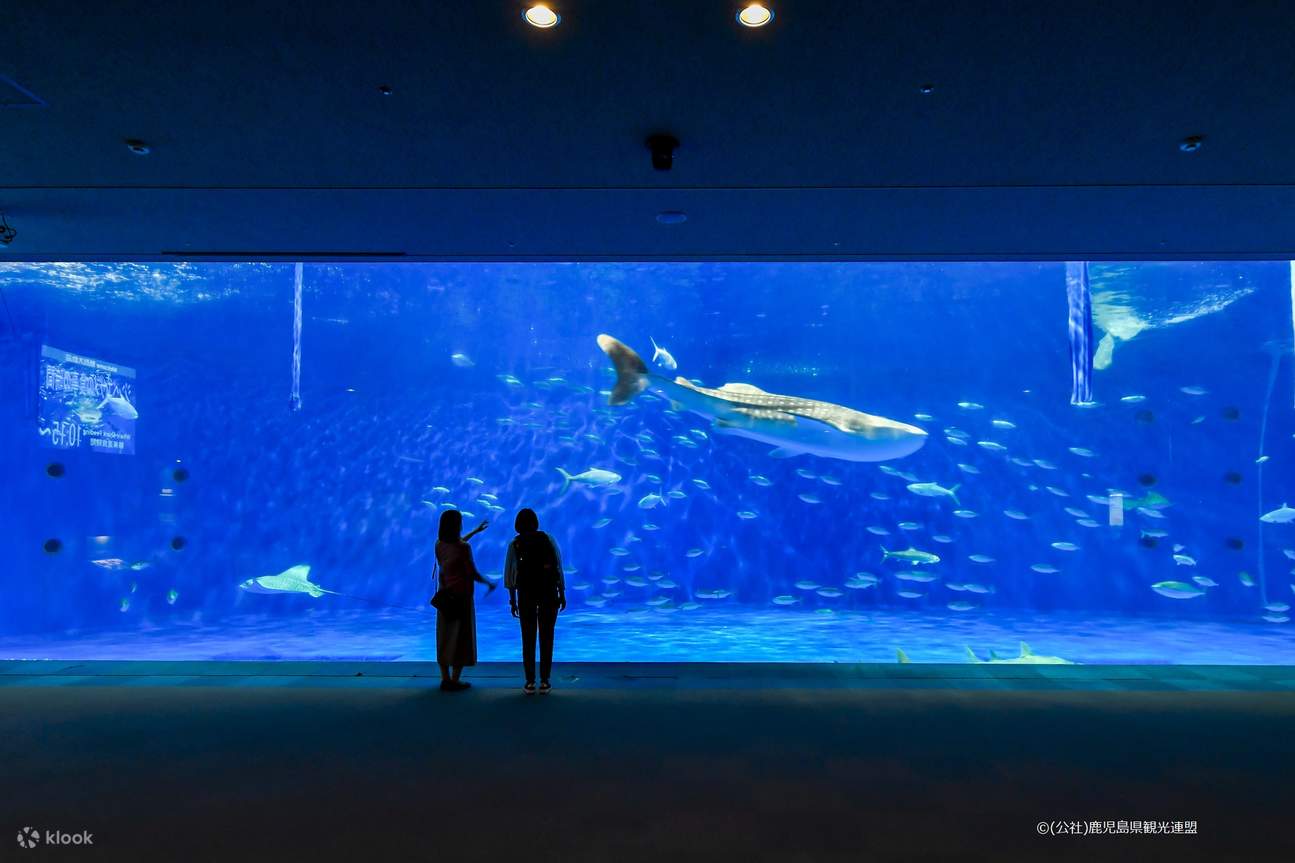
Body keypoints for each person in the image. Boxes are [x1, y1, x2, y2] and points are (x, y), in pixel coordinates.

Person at [503, 508, 565, 694]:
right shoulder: (548, 539)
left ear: (517, 524)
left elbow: (510, 574)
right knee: (547, 637)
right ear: (536, 522)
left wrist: (512, 600)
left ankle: (530, 682)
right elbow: (558, 566)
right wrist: (562, 592)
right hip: (548, 592)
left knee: (528, 638)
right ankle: (545, 681)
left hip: (526, 594)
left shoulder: (515, 544)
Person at [433, 509, 495, 691]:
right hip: (461, 597)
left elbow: (454, 548)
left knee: (444, 636)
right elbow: (473, 572)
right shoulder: (463, 548)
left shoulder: (439, 544)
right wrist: (488, 583)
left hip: (444, 597)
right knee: (460, 638)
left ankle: (445, 679)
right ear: (457, 525)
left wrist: (475, 532)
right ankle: (455, 680)